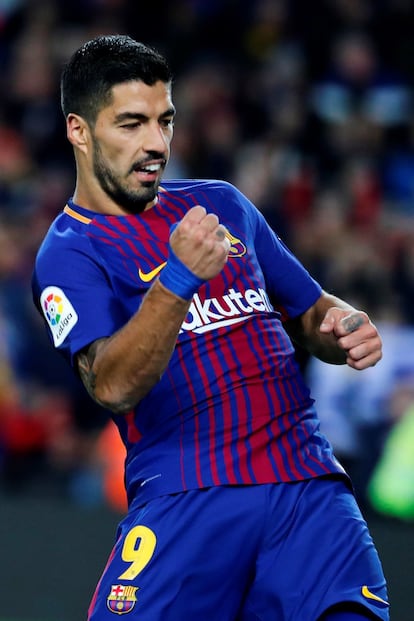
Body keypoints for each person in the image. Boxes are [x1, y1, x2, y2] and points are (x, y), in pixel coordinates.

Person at [32, 35, 389, 621]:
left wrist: (342, 326)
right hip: (188, 496)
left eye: (164, 120)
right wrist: (177, 278)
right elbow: (111, 385)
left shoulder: (222, 203)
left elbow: (308, 309)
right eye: (131, 124)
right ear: (79, 130)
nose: (156, 144)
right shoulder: (68, 254)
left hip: (308, 486)